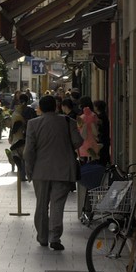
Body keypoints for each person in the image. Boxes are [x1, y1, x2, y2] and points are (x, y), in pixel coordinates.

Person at [23, 94, 81, 250]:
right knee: (57, 205)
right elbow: (78, 142)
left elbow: (29, 151)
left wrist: (28, 170)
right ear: (56, 107)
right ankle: (55, 237)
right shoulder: (68, 121)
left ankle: (42, 237)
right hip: (63, 170)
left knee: (41, 205)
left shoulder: (33, 124)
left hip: (40, 171)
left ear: (40, 108)